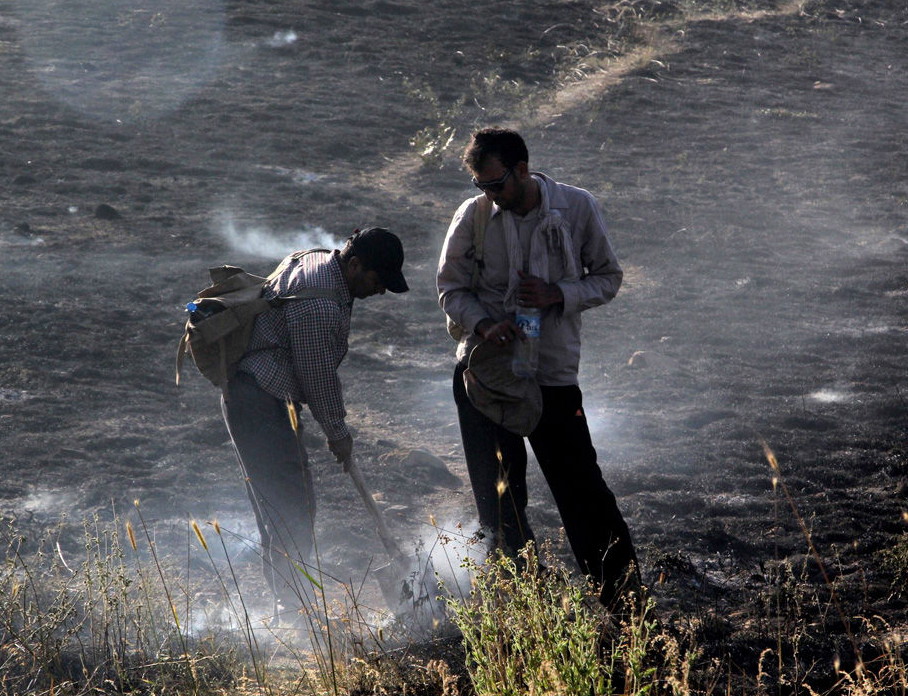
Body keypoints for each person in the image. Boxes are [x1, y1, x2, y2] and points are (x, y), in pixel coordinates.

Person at [436, 127, 641, 614]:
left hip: (551, 377)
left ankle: (627, 607)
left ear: (523, 170)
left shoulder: (575, 208)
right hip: (486, 379)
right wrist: (484, 324)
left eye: (496, 184)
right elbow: (451, 289)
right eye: (481, 186)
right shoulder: (475, 216)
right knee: (498, 502)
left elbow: (608, 278)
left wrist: (560, 295)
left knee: (583, 495)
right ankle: (527, 608)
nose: (489, 195)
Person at [223, 227, 409, 625]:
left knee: (286, 503)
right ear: (355, 264)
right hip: (259, 403)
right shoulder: (320, 306)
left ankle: (291, 603)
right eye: (377, 281)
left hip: (262, 398)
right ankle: (294, 610)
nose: (380, 292)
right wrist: (338, 434)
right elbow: (317, 375)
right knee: (290, 507)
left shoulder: (320, 261)